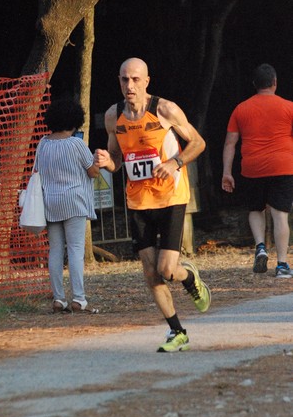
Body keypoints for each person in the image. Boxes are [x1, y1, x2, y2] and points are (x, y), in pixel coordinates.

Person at [94, 57, 210, 352]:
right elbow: (117, 160)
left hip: (170, 196)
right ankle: (177, 331)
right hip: (138, 201)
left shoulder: (164, 110)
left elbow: (198, 143)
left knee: (167, 269)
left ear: (147, 81)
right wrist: (109, 162)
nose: (129, 85)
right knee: (150, 271)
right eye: (124, 80)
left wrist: (174, 162)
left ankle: (189, 277)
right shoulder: (113, 116)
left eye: (135, 79)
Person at [222, 63, 293, 277]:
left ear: (254, 84)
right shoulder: (289, 107)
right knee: (280, 215)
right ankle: (281, 265)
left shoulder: (241, 109)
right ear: (275, 83)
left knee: (255, 209)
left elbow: (230, 144)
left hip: (252, 167)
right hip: (283, 165)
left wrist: (227, 172)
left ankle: (260, 246)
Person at [36, 97, 100, 313]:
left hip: (50, 202)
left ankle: (58, 298)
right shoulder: (77, 144)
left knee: (54, 250)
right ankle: (79, 298)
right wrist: (97, 161)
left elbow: (38, 172)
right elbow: (92, 171)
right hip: (74, 201)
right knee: (75, 250)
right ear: (74, 120)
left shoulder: (42, 144)